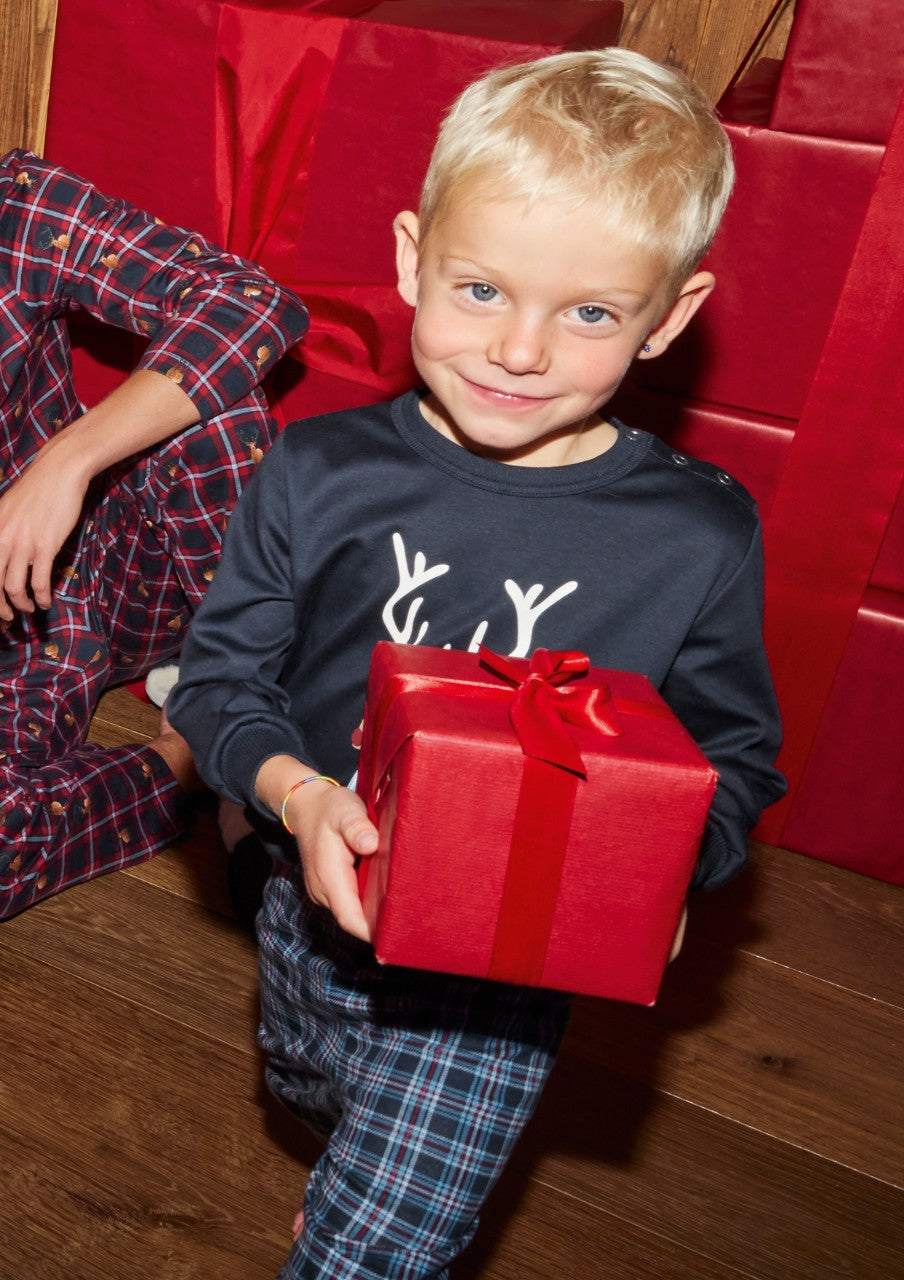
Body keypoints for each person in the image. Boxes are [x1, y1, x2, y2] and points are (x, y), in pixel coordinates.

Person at [167, 48, 786, 1278]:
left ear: (667, 318)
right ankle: (356, 1161)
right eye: (483, 288)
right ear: (412, 260)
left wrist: (665, 868)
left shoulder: (697, 533)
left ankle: (371, 1223)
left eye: (591, 313)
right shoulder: (318, 472)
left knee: (379, 1241)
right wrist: (294, 794)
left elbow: (735, 754)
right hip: (314, 880)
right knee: (306, 1078)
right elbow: (222, 680)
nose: (519, 349)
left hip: (509, 952)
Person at [0, 148, 308, 919]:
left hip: (107, 569)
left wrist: (65, 460)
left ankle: (244, 695)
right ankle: (188, 761)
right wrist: (174, 759)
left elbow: (250, 302)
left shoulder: (14, 210)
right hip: (15, 675)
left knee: (213, 403)